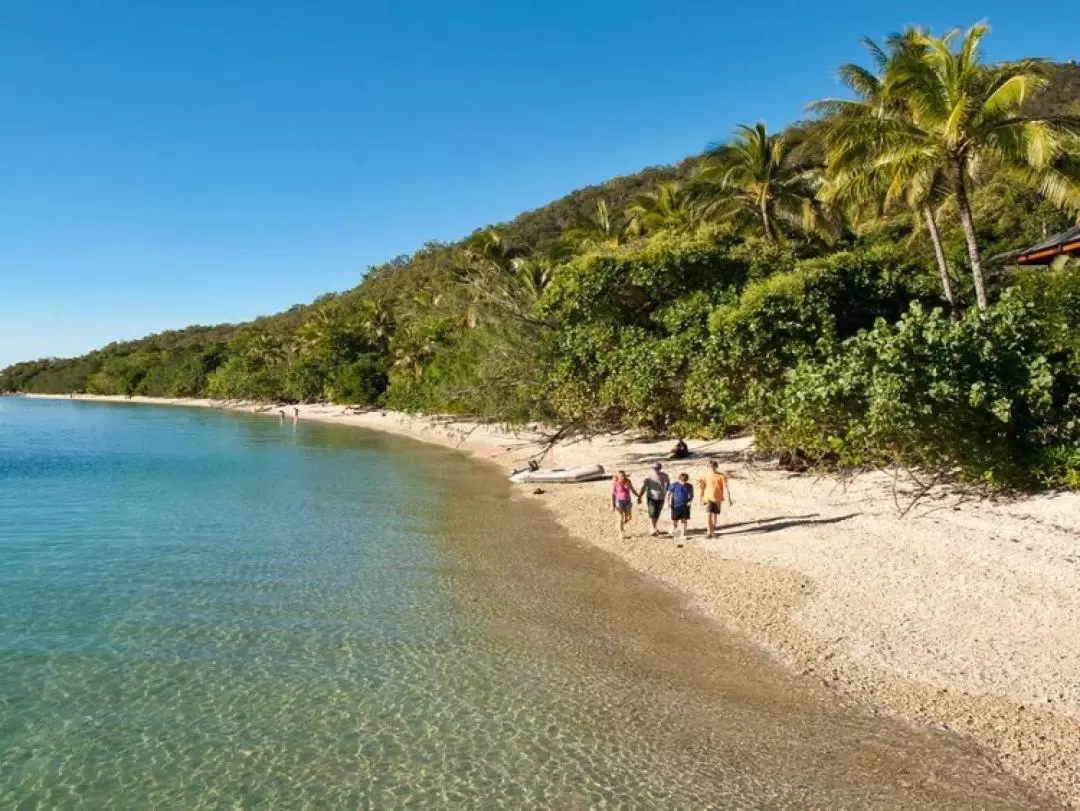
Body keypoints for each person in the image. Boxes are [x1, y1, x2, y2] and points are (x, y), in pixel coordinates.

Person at [698, 460, 733, 538]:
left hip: (718, 498)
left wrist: (729, 499)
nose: (712, 468)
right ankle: (708, 532)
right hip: (708, 497)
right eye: (710, 467)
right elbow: (702, 488)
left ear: (716, 467)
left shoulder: (721, 476)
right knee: (708, 514)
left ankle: (713, 531)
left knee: (715, 515)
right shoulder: (705, 476)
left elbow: (726, 487)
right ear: (708, 467)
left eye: (713, 467)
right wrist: (701, 498)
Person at [638, 462, 671, 537]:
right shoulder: (648, 477)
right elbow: (644, 487)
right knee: (652, 512)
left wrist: (669, 493)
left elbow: (668, 486)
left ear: (660, 468)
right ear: (653, 469)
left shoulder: (665, 476)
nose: (657, 470)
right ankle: (652, 528)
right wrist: (640, 496)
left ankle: (654, 527)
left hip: (661, 497)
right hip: (651, 497)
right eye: (655, 468)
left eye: (658, 468)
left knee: (657, 513)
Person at [611, 470, 640, 539]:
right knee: (620, 517)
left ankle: (620, 525)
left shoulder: (628, 481)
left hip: (627, 501)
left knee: (629, 518)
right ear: (618, 477)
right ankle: (621, 533)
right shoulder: (615, 483)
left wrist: (638, 496)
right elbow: (612, 494)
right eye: (621, 476)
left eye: (624, 475)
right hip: (619, 501)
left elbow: (632, 489)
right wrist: (612, 505)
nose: (623, 477)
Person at [669, 473, 694, 540]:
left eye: (685, 481)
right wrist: (668, 502)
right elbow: (669, 494)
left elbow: (691, 495)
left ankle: (683, 534)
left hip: (685, 505)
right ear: (679, 479)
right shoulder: (674, 485)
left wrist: (690, 501)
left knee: (684, 520)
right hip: (675, 505)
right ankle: (674, 530)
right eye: (682, 481)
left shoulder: (689, 486)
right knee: (675, 520)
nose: (683, 483)